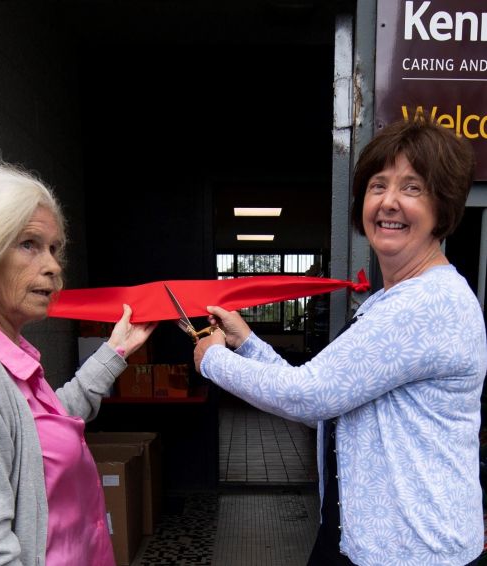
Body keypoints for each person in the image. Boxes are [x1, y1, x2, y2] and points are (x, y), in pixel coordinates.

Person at [194, 118, 487, 566]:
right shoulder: (391, 300)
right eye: (377, 185)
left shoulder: (428, 303)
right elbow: (330, 400)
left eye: (412, 188)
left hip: (415, 553)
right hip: (368, 540)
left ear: (442, 207)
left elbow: (311, 396)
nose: (388, 201)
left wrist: (212, 359)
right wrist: (247, 341)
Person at [0, 163, 156, 565]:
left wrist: (114, 352)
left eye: (53, 248)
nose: (53, 266)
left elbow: (44, 432)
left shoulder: (4, 352)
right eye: (29, 244)